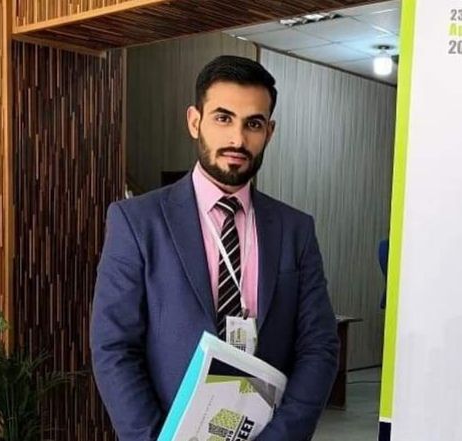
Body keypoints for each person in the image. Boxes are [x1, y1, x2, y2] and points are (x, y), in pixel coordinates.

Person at [91, 55, 339, 441]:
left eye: (253, 124)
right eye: (223, 118)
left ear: (269, 132)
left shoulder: (295, 229)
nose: (237, 139)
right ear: (195, 121)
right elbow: (114, 346)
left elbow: (319, 346)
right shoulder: (137, 222)